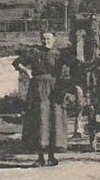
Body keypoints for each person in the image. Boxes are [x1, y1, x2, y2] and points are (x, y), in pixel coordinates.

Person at [13, 29, 70, 167]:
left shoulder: (59, 54)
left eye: (49, 38)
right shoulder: (34, 52)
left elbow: (68, 67)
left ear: (54, 39)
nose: (46, 41)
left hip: (54, 89)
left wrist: (64, 84)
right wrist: (27, 71)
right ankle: (40, 157)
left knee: (53, 120)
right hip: (37, 90)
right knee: (39, 121)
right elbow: (17, 62)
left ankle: (51, 156)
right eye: (44, 38)